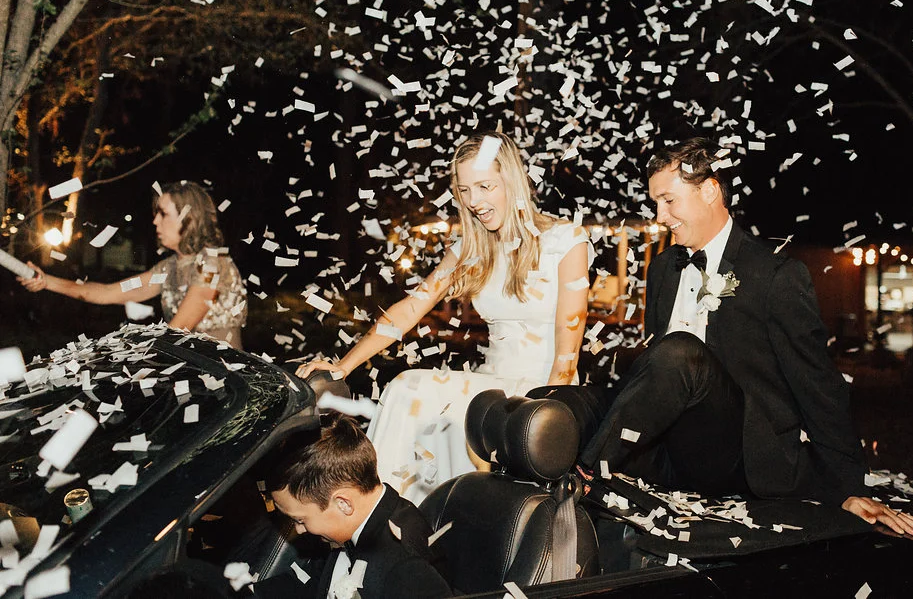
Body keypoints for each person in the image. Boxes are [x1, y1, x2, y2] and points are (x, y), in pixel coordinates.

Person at [535, 137, 913, 537]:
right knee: (563, 401)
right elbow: (653, 370)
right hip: (670, 454)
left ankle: (582, 479)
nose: (660, 216)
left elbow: (819, 385)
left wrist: (847, 489)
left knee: (680, 353)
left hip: (738, 459)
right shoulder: (663, 268)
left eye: (668, 200)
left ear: (709, 191)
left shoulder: (775, 275)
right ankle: (525, 465)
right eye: (655, 203)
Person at [298, 130, 593, 503]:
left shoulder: (566, 240)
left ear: (513, 181)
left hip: (542, 393)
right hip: (491, 390)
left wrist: (545, 417)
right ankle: (393, 511)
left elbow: (567, 353)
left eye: (485, 187)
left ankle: (377, 507)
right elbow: (411, 308)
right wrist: (344, 365)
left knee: (412, 388)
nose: (474, 201)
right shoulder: (470, 248)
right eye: (465, 190)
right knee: (414, 399)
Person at [18, 180, 247, 349]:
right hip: (193, 379)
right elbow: (107, 292)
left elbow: (179, 328)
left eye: (163, 214)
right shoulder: (167, 270)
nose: (155, 220)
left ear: (189, 219)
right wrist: (46, 281)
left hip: (227, 387)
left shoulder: (213, 265)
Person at [254, 414, 452, 599]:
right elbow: (311, 579)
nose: (299, 529)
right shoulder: (351, 527)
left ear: (343, 504)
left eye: (300, 520)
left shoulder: (406, 570)